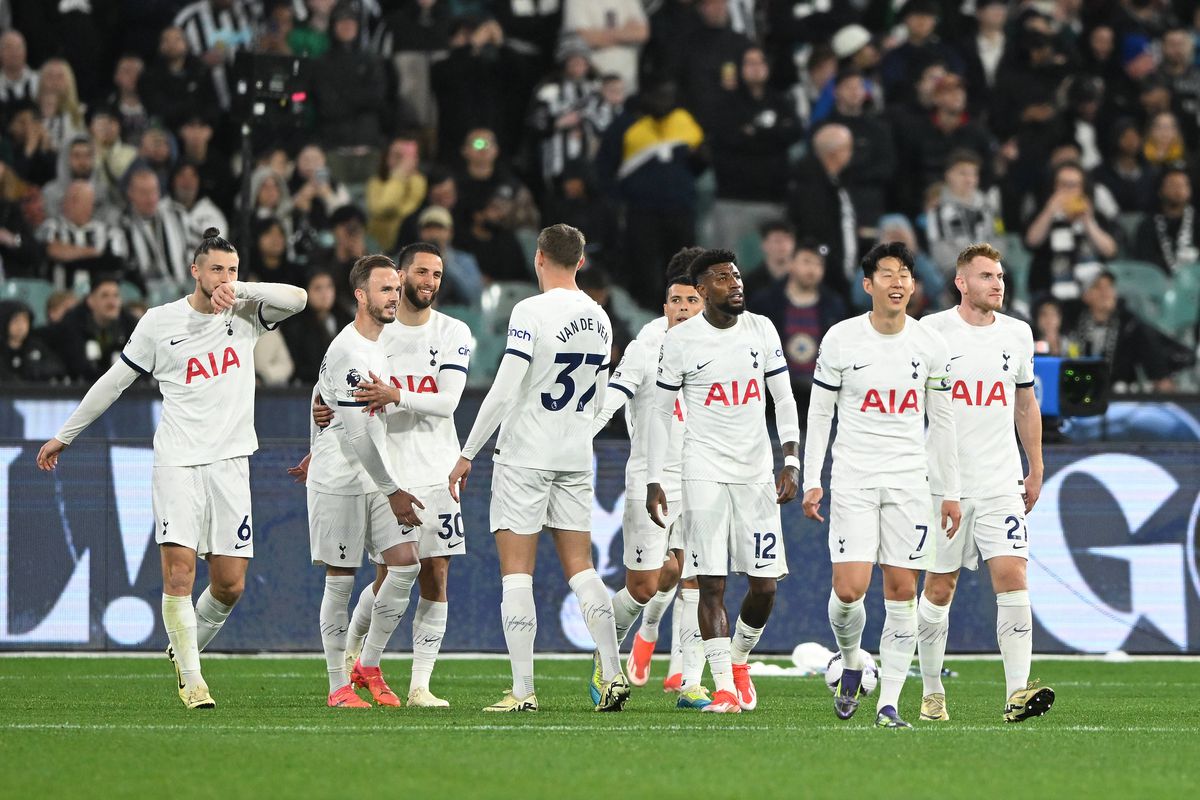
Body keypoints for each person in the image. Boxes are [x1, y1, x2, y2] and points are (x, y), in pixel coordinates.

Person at [36, 228, 307, 709]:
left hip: (230, 462)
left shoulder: (245, 312)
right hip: (178, 460)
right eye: (217, 269)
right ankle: (191, 678)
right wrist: (66, 434)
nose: (224, 278)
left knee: (229, 584)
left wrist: (242, 291)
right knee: (179, 574)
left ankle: (183, 649)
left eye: (232, 270)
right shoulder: (160, 322)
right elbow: (114, 382)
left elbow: (300, 298)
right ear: (194, 271)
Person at [447, 224, 628, 713]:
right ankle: (612, 673)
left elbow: (506, 388)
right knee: (582, 567)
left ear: (539, 258)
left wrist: (468, 451)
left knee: (517, 575)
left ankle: (523, 690)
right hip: (574, 454)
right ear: (582, 261)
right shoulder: (601, 317)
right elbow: (601, 394)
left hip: (526, 454)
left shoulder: (529, 311)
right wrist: (577, 434)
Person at [306, 243, 475, 708]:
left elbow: (446, 402)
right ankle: (346, 675)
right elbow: (335, 404)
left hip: (422, 470)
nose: (427, 282)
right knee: (367, 576)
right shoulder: (363, 341)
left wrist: (394, 396)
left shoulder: (437, 334)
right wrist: (319, 443)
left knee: (420, 570)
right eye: (418, 273)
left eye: (437, 274)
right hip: (374, 472)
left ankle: (393, 674)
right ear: (371, 290)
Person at [801, 241, 961, 729]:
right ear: (868, 285)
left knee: (900, 589)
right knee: (849, 590)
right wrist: (812, 479)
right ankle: (851, 661)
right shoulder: (841, 339)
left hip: (910, 481)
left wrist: (948, 489)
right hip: (853, 477)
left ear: (914, 284)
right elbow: (820, 413)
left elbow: (944, 421)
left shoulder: (930, 344)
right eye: (887, 274)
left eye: (905, 274)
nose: (898, 282)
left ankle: (888, 704)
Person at [646, 248, 801, 714]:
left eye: (735, 275)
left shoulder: (762, 329)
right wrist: (656, 478)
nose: (734, 283)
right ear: (701, 290)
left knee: (765, 585)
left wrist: (791, 458)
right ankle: (724, 691)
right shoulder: (681, 342)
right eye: (721, 278)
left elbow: (784, 398)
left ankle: (737, 662)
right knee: (710, 585)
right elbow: (658, 414)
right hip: (703, 472)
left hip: (755, 475)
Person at [915, 242, 1055, 724]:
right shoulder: (931, 332)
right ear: (961, 282)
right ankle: (932, 692)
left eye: (1000, 276)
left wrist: (1034, 466)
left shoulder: (1017, 334)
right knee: (940, 586)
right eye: (986, 276)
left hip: (1000, 481)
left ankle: (1018, 692)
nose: (997, 284)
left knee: (1014, 577)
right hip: (945, 485)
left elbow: (1025, 403)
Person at [298, 253, 425, 708]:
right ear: (360, 294)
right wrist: (393, 491)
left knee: (406, 563)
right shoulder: (350, 350)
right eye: (385, 289)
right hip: (342, 480)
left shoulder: (380, 344)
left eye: (396, 288)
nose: (395, 296)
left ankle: (367, 664)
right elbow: (354, 433)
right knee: (342, 579)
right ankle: (337, 686)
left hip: (376, 475)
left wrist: (313, 434)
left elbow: (319, 389)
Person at [591, 252, 711, 709]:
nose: (683, 308)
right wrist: (580, 436)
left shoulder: (719, 347)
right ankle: (607, 658)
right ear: (665, 307)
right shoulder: (646, 347)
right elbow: (613, 397)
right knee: (646, 586)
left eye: (692, 300)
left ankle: (690, 683)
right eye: (676, 301)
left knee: (698, 577)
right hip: (652, 477)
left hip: (702, 476)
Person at [751, 238, 846, 414]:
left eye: (818, 264)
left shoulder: (834, 305)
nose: (812, 269)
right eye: (806, 261)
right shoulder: (765, 303)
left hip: (820, 400)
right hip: (773, 402)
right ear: (791, 263)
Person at [1133, 166, 1199, 274]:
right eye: (1173, 185)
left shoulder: (1197, 222)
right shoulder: (1147, 226)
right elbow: (1144, 263)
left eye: (1183, 185)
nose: (1179, 190)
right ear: (1160, 190)